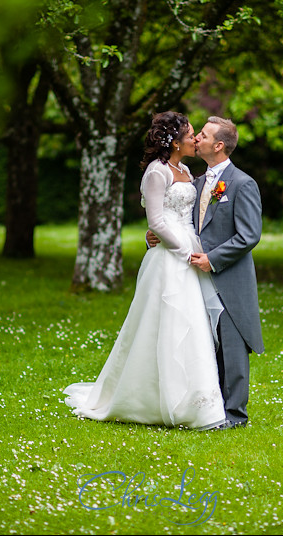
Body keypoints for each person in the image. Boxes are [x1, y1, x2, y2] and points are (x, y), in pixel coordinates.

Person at [62, 111, 226, 430]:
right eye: (191, 133)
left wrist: (194, 247)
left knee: (191, 323)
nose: (195, 139)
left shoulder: (185, 169)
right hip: (169, 258)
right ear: (175, 140)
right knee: (162, 322)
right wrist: (181, 250)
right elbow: (157, 221)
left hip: (189, 251)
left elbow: (187, 214)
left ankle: (197, 402)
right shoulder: (157, 171)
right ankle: (151, 398)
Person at [149, 116, 263, 429]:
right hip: (193, 274)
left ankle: (236, 415)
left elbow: (249, 235)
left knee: (232, 342)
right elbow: (178, 216)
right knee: (206, 342)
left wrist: (212, 259)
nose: (196, 137)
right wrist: (156, 234)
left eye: (203, 134)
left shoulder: (242, 184)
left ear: (219, 145)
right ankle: (210, 407)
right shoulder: (195, 181)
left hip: (227, 274)